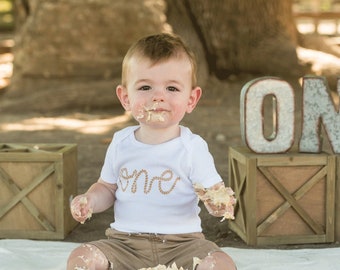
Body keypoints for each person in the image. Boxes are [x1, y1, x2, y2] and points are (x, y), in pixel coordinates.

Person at [67, 33, 237, 270]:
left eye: (172, 88)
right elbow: (107, 188)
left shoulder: (192, 147)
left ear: (191, 99)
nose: (158, 96)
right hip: (125, 244)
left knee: (220, 263)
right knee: (82, 257)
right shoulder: (121, 142)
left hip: (184, 244)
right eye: (145, 87)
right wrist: (90, 200)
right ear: (126, 98)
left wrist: (218, 203)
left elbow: (213, 192)